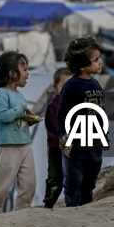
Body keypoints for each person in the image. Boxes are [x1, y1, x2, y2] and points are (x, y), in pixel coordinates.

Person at [0, 51, 39, 216]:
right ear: (12, 74)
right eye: (24, 69)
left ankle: (20, 215)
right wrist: (19, 110)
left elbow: (19, 117)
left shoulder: (20, 95)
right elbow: (2, 116)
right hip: (8, 146)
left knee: (28, 185)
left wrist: (30, 119)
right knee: (1, 187)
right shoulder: (1, 94)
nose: (28, 74)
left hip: (25, 144)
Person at [56, 37, 106, 207]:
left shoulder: (96, 85)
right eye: (96, 60)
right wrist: (62, 135)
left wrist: (104, 136)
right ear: (82, 65)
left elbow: (100, 114)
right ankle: (72, 210)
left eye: (99, 58)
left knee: (90, 179)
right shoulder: (72, 87)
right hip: (76, 143)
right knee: (74, 179)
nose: (100, 62)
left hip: (94, 142)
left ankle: (86, 208)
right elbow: (62, 114)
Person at [43, 67, 73, 209]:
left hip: (75, 147)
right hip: (57, 148)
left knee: (74, 176)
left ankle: (73, 203)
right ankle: (49, 203)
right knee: (55, 178)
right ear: (56, 87)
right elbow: (55, 126)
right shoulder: (54, 106)